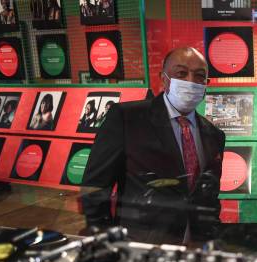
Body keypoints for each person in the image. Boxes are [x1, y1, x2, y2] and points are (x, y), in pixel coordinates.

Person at [82, 47, 225, 244]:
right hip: (141, 243)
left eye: (200, 76)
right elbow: (96, 186)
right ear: (164, 78)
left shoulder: (214, 135)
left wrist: (211, 239)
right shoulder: (127, 119)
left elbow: (209, 195)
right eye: (181, 73)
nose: (191, 81)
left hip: (196, 244)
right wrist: (104, 238)